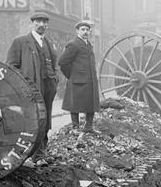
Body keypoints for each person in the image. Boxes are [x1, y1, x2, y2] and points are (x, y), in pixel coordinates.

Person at [6, 10, 59, 158]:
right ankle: (35, 154)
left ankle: (43, 150)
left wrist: (55, 78)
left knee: (46, 119)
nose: (41, 24)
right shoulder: (21, 42)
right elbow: (11, 66)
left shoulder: (48, 43)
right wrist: (23, 84)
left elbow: (54, 64)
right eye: (38, 21)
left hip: (48, 87)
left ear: (47, 25)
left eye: (44, 22)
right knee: (34, 120)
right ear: (33, 23)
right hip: (31, 88)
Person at [59, 19, 100, 133]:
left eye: (87, 30)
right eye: (83, 29)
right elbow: (63, 62)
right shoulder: (73, 44)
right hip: (77, 80)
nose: (85, 32)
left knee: (91, 103)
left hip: (90, 80)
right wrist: (71, 75)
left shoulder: (88, 45)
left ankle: (89, 127)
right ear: (77, 31)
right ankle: (75, 127)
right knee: (75, 104)